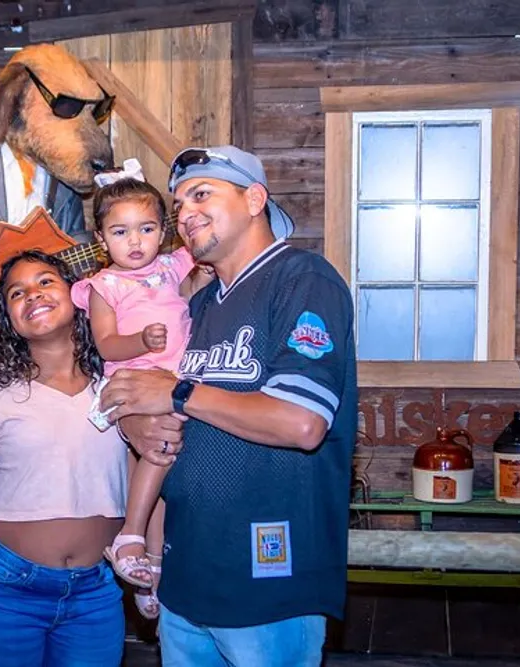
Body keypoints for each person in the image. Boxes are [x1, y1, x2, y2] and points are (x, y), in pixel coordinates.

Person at [100, 145, 358, 666]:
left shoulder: (302, 279)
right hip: (186, 574)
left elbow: (303, 423)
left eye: (202, 194)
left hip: (267, 581)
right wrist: (136, 424)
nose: (185, 213)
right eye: (178, 205)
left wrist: (177, 391)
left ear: (255, 198)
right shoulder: (196, 304)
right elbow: (150, 403)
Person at [0, 251, 129, 667]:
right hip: (5, 588)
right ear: (10, 319)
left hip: (97, 591)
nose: (32, 294)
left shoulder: (122, 384)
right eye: (17, 292)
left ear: (79, 295)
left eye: (46, 282)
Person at [69, 159, 211, 619]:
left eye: (147, 229)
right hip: (130, 380)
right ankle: (129, 535)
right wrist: (141, 341)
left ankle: (150, 573)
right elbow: (106, 342)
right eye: (121, 232)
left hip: (175, 381)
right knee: (160, 449)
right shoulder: (103, 286)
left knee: (161, 478)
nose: (135, 242)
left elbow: (205, 246)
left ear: (162, 233)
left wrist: (203, 275)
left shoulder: (170, 267)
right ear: (100, 240)